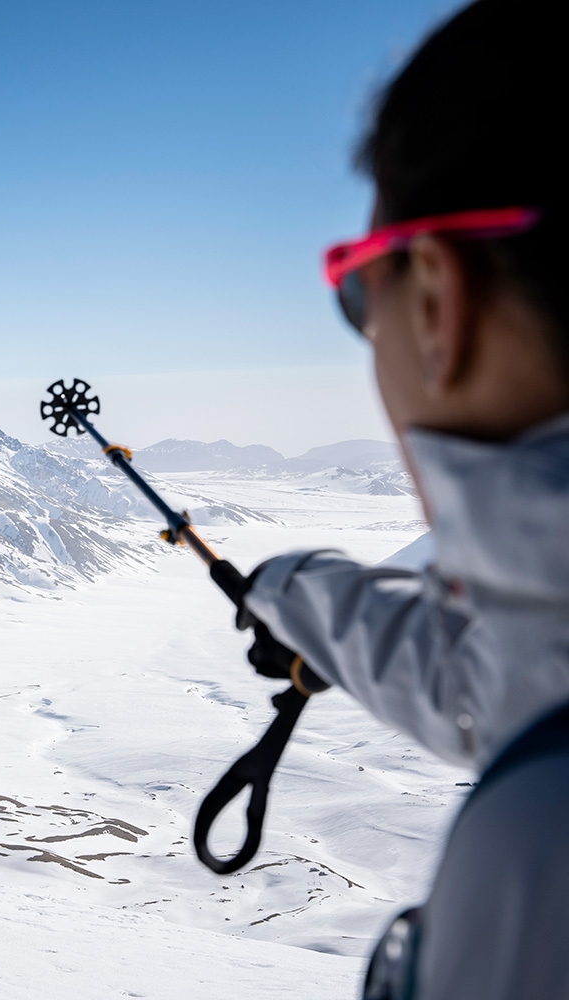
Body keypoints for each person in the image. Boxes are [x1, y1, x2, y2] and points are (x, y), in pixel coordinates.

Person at [236, 1, 569, 997]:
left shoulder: (537, 853)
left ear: (435, 299)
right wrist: (301, 596)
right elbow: (510, 682)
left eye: (357, 295)